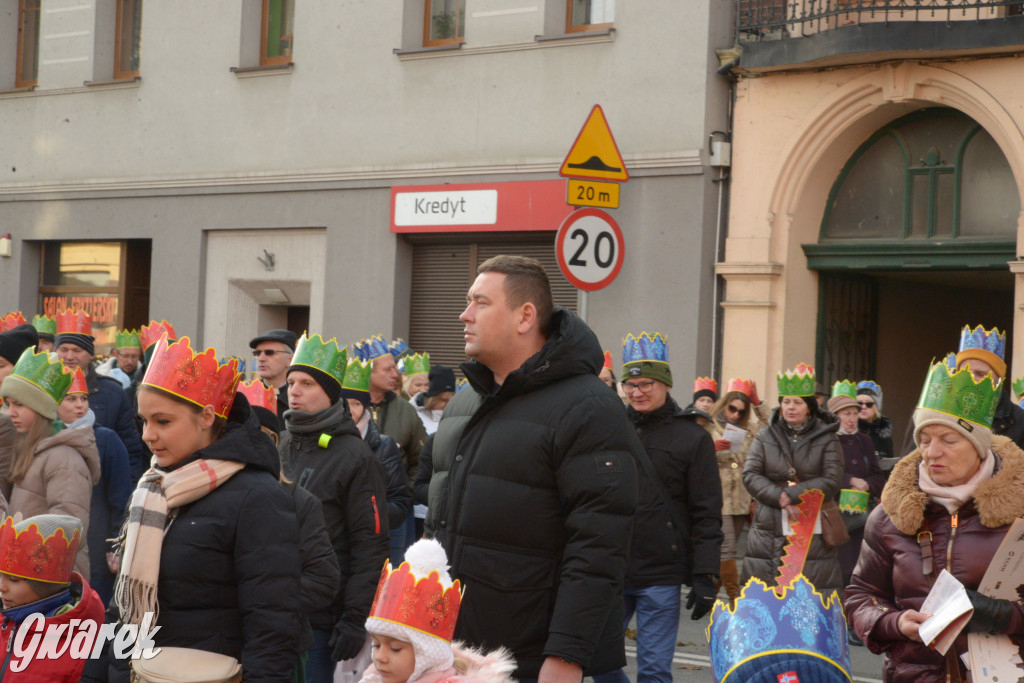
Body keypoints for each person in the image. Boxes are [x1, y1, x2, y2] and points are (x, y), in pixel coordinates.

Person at [426, 254, 640, 681]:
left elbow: (598, 545)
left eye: (480, 302)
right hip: (454, 650)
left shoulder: (588, 407)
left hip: (529, 656)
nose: (464, 314)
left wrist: (566, 654)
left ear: (525, 316)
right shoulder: (465, 403)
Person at [111, 335, 303, 681]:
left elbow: (272, 622)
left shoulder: (257, 496)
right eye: (143, 421)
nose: (147, 436)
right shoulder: (152, 487)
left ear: (206, 416)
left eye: (163, 421)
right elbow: (123, 602)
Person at [846, 359, 1024, 682]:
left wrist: (1001, 616)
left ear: (979, 446)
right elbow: (861, 594)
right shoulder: (891, 513)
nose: (932, 452)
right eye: (925, 439)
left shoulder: (1018, 512)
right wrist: (894, 623)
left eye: (948, 440)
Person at [594, 332, 722, 683]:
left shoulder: (692, 437)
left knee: (652, 670)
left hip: (661, 574)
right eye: (630, 384)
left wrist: (705, 574)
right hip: (610, 566)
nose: (637, 392)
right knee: (596, 661)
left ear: (665, 384)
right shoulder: (607, 430)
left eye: (646, 383)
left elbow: (707, 512)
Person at [278, 334, 391, 683]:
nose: (294, 390)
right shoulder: (280, 442)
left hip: (319, 619)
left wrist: (354, 619)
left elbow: (370, 546)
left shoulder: (356, 457)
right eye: (292, 381)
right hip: (270, 606)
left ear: (330, 394)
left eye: (307, 383)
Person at [742, 363, 844, 595]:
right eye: (786, 401)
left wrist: (792, 495)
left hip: (812, 524)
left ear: (809, 407)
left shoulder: (827, 438)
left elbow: (832, 479)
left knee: (808, 594)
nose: (790, 407)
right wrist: (778, 497)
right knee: (767, 595)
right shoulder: (765, 435)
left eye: (797, 402)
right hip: (769, 524)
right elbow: (750, 474)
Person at [0, 348, 99, 577]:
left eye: (19, 405)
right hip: (27, 576)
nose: (10, 413)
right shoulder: (31, 451)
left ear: (40, 408)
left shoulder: (63, 458)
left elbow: (66, 531)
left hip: (51, 584)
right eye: (8, 404)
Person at [360, 538, 516, 683]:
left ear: (428, 656)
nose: (380, 657)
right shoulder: (373, 678)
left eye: (395, 649)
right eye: (376, 645)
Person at [58, 366, 132, 607]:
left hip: (97, 546)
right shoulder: (44, 439)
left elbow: (121, 499)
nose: (80, 405)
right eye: (71, 399)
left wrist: (115, 546)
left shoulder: (107, 440)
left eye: (84, 398)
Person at [0, 514, 105, 680]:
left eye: (13, 580)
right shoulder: (4, 622)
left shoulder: (78, 644)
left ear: (44, 586)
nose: (2, 587)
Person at [54, 309, 148, 482]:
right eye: (63, 349)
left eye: (76, 350)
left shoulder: (113, 393)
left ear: (90, 354)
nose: (69, 356)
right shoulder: (42, 391)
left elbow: (132, 450)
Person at [343, 351, 414, 564]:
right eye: (344, 403)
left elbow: (399, 503)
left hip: (375, 542)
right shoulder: (322, 441)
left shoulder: (383, 446)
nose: (349, 411)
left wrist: (367, 510)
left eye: (356, 404)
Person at [704, 377, 768, 606]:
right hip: (718, 495)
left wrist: (758, 402)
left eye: (741, 411)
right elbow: (691, 452)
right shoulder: (708, 423)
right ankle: (734, 598)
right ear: (725, 404)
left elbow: (771, 425)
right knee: (728, 548)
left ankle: (710, 596)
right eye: (732, 408)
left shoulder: (750, 430)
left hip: (741, 497)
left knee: (726, 551)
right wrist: (711, 449)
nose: (735, 415)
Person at [826, 381, 884, 617]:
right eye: (845, 414)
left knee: (857, 570)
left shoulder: (865, 441)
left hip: (861, 517)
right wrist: (849, 480)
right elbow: (822, 472)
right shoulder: (828, 441)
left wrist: (868, 484)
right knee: (837, 568)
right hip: (834, 515)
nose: (851, 419)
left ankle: (852, 618)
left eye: (854, 413)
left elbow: (878, 476)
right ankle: (834, 615)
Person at [955, 324, 1024, 449]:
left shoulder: (1020, 422)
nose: (972, 379)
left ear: (999, 379)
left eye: (980, 374)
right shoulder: (933, 413)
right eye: (965, 372)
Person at [250, 328, 297, 428]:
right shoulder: (247, 396)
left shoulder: (300, 397)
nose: (261, 359)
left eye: (269, 353)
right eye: (257, 353)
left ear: (290, 359)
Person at [856, 380, 895, 471]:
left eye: (869, 404)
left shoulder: (884, 434)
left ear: (876, 407)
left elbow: (890, 469)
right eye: (859, 403)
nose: (863, 407)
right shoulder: (849, 430)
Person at [412, 365, 456, 435]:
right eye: (443, 400)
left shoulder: (456, 419)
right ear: (432, 398)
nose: (447, 405)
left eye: (450, 400)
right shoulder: (415, 417)